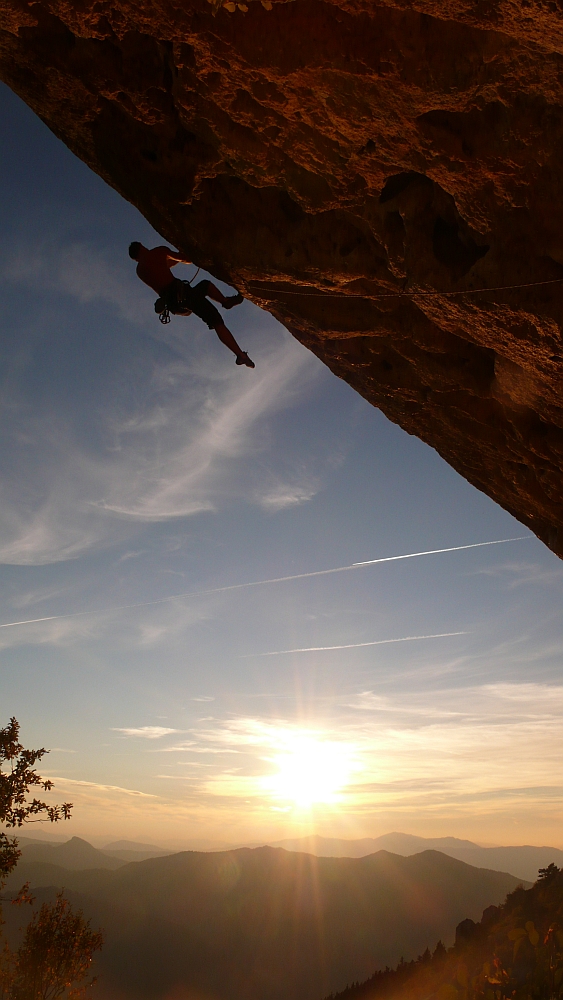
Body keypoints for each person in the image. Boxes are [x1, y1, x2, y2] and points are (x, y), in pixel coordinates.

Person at [129, 242, 255, 368]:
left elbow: (161, 269)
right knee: (216, 321)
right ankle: (240, 355)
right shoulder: (159, 251)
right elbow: (186, 259)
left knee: (205, 286)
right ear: (142, 246)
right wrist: (185, 253)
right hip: (184, 295)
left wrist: (174, 259)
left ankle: (225, 302)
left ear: (136, 259)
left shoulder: (140, 271)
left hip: (174, 304)